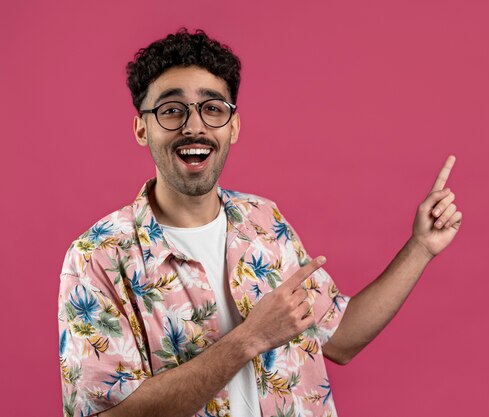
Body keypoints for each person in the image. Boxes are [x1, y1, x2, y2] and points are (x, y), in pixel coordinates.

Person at [57, 28, 462, 417]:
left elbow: (341, 339)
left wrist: (420, 247)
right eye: (172, 110)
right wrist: (251, 337)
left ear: (233, 126)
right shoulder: (98, 256)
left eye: (212, 108)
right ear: (142, 128)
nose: (194, 126)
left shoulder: (264, 222)